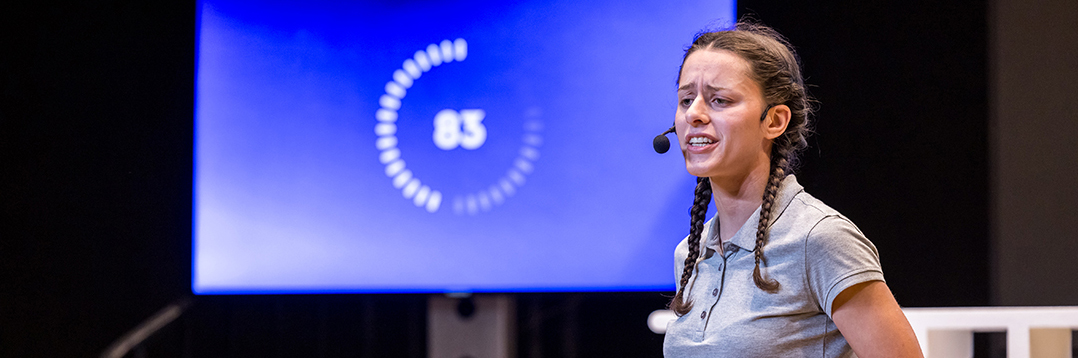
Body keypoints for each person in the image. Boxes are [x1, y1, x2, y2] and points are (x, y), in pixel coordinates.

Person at [660, 21, 923, 357]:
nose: (694, 114)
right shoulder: (690, 253)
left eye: (719, 100)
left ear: (774, 121)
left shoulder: (819, 239)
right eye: (685, 100)